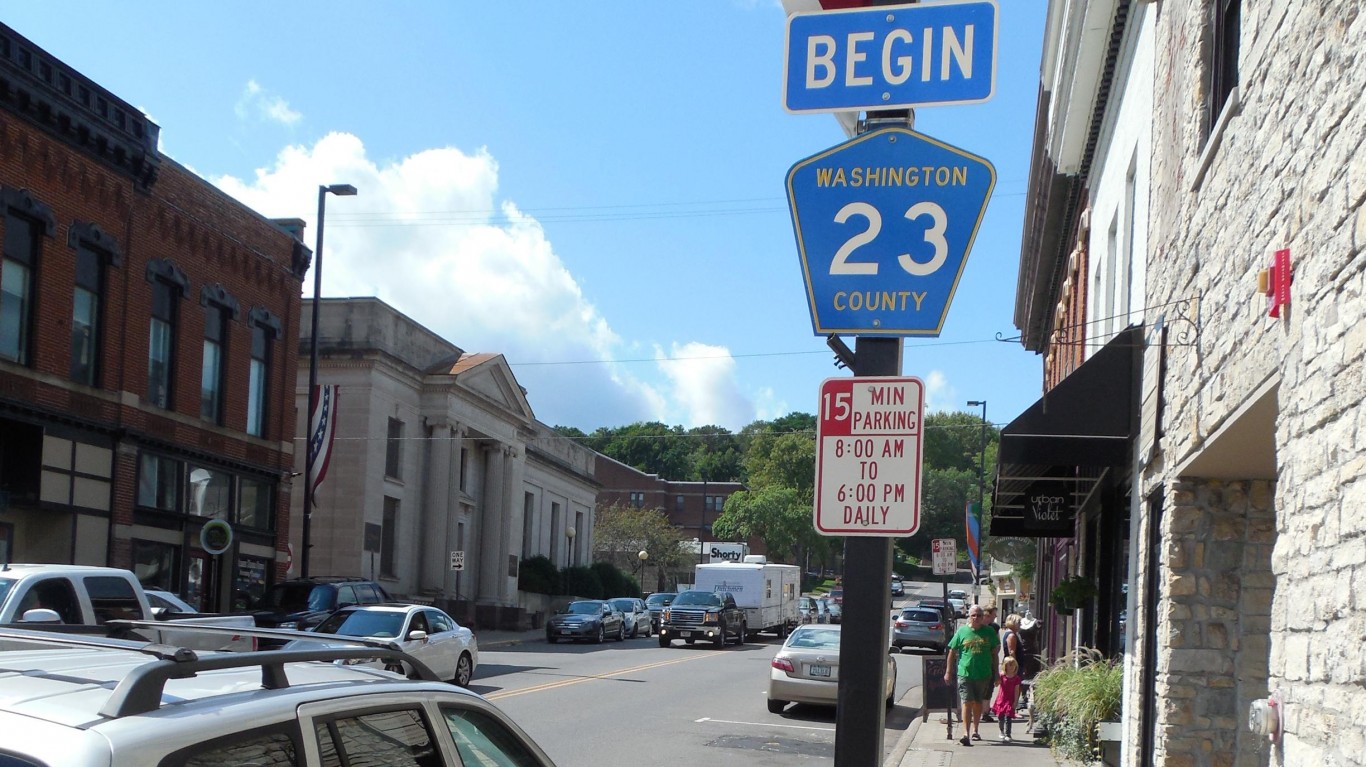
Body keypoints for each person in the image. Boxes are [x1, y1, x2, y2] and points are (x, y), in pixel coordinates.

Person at [943, 604, 1000, 746]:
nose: (976, 618)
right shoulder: (962, 631)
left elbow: (995, 654)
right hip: (965, 673)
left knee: (978, 702)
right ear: (969, 616)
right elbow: (952, 652)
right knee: (967, 702)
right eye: (973, 615)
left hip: (983, 673)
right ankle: (965, 733)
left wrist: (997, 673)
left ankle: (975, 730)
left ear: (983, 617)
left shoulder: (989, 632)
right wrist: (948, 671)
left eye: (979, 615)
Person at [992, 657, 1024, 742]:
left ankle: (1008, 734)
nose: (1011, 667)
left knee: (1008, 717)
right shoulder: (1002, 676)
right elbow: (996, 684)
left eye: (1013, 665)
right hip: (1001, 699)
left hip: (1010, 700)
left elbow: (1017, 690)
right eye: (1009, 665)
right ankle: (1001, 731)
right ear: (1005, 666)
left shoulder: (1016, 678)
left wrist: (1016, 701)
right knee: (1000, 717)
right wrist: (997, 678)